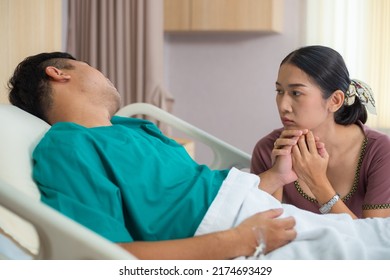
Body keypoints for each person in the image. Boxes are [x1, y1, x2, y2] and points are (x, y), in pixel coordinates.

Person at [8, 52, 298, 260]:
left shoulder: (132, 125)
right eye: (88, 65)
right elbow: (102, 256)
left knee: (345, 231)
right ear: (58, 72)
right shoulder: (67, 146)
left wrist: (275, 176)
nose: (103, 74)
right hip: (238, 240)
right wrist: (243, 241)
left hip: (258, 215)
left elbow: (198, 191)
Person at [251, 45, 390, 219]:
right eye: (279, 91)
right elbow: (262, 234)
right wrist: (276, 177)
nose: (283, 106)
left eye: (296, 93)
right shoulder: (269, 149)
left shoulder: (380, 151)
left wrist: (317, 182)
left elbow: (375, 239)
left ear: (335, 100)